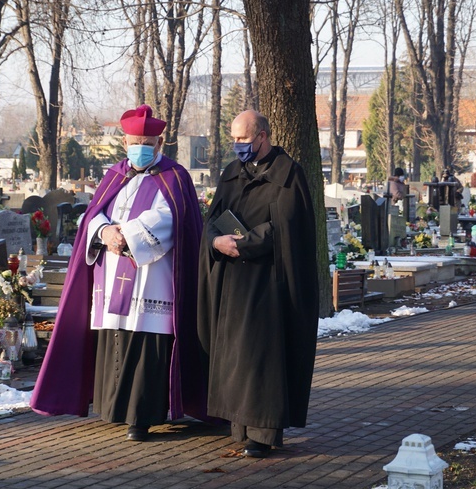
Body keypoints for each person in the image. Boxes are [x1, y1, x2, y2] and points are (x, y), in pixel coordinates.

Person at [31, 105, 208, 441]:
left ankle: (142, 416)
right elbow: (93, 215)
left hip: (152, 280)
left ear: (158, 143)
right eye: (133, 141)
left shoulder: (175, 176)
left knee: (145, 344)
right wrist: (104, 232)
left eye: (146, 141)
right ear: (124, 142)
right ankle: (112, 408)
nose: (139, 147)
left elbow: (172, 218)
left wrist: (127, 235)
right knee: (114, 339)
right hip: (111, 277)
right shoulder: (115, 175)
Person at [197, 109, 319, 458]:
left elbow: (286, 226)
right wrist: (215, 242)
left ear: (263, 136)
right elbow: (212, 218)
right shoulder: (232, 173)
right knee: (235, 355)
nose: (238, 146)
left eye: (244, 140)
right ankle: (239, 423)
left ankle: (263, 432)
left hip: (268, 281)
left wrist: (244, 243)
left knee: (261, 357)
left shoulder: (288, 174)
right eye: (234, 139)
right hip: (232, 282)